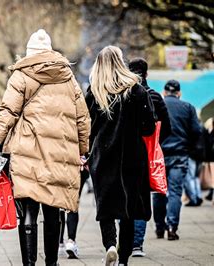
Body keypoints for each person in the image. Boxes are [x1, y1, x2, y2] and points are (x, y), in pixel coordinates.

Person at [0, 29, 91, 266]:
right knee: (54, 210)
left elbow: (8, 112)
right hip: (60, 152)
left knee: (29, 211)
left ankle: (29, 264)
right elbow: (82, 117)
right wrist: (82, 150)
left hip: (27, 151)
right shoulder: (68, 77)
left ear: (30, 52)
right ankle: (52, 263)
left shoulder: (21, 75)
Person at [86, 46, 155, 266]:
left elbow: (89, 128)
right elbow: (148, 128)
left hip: (103, 157)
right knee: (129, 208)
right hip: (132, 156)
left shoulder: (95, 91)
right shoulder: (137, 90)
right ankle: (124, 258)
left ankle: (110, 245)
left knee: (105, 206)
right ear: (121, 61)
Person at [128, 58, 171, 258]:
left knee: (126, 196)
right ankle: (137, 244)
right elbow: (167, 127)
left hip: (125, 154)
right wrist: (154, 143)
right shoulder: (154, 96)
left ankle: (124, 241)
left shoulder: (123, 95)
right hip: (146, 154)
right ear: (147, 74)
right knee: (142, 197)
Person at [153, 79, 202, 241]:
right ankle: (172, 226)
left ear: (164, 92)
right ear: (179, 93)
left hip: (159, 154)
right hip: (180, 154)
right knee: (175, 191)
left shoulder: (158, 105)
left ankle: (159, 227)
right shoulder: (188, 108)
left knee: (158, 191)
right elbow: (197, 131)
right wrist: (190, 146)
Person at [58, 170, 90, 259]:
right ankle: (71, 241)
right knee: (73, 201)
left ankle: (60, 242)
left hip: (58, 166)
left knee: (59, 203)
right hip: (77, 168)